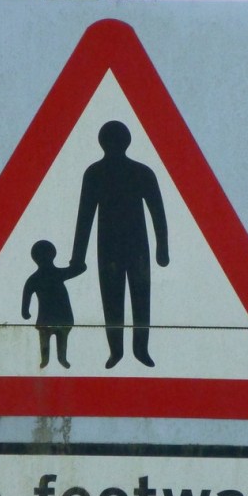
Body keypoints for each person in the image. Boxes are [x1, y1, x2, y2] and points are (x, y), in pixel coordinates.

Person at [70, 120, 169, 368]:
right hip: (111, 247)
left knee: (136, 297)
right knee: (115, 298)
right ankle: (117, 351)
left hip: (132, 246)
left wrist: (163, 248)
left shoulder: (141, 172)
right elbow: (85, 217)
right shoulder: (95, 174)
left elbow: (157, 212)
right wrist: (78, 257)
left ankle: (139, 349)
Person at [22, 240, 84, 369]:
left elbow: (77, 269)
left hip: (52, 317)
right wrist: (25, 311)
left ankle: (58, 359)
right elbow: (77, 269)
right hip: (57, 316)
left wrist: (25, 312)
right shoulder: (51, 275)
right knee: (51, 337)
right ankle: (50, 360)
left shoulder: (36, 278)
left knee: (57, 337)